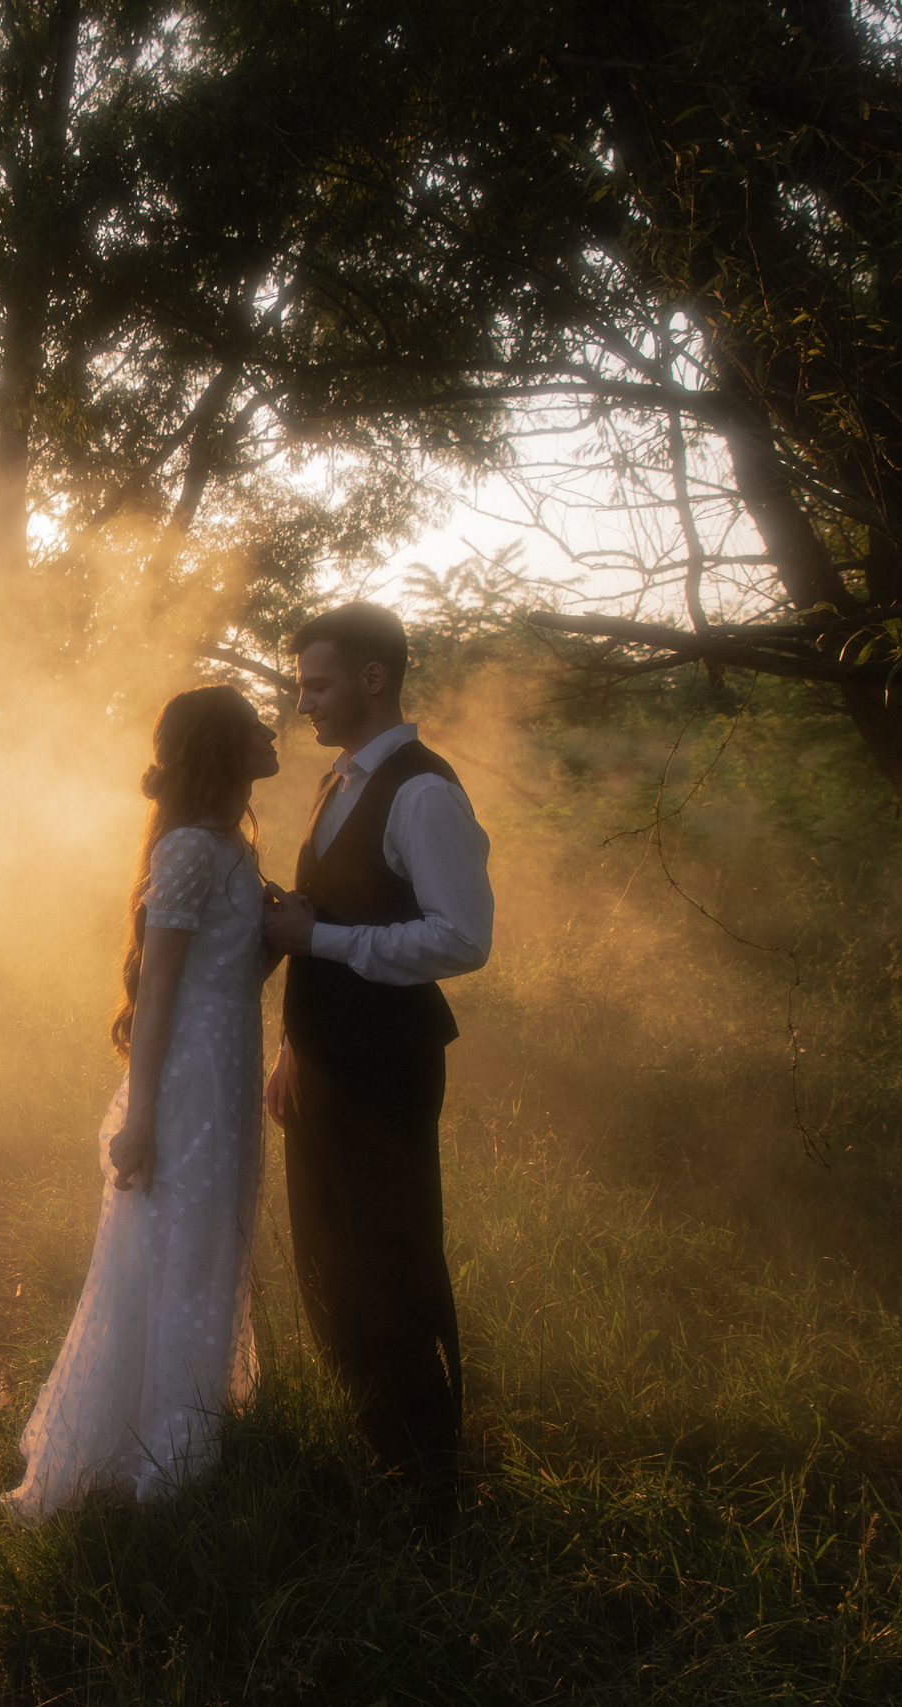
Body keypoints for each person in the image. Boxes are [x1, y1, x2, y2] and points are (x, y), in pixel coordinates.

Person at [4, 685, 281, 1521]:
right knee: (178, 1251)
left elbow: (224, 970)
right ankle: (164, 1458)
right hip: (189, 1077)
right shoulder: (193, 847)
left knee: (214, 1240)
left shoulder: (230, 845)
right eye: (255, 724)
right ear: (224, 748)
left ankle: (187, 1424)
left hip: (228, 1064)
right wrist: (144, 1116)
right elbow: (159, 987)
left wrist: (278, 933)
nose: (273, 731)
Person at [261, 601, 493, 1518]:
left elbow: (461, 938)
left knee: (391, 1258)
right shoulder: (339, 779)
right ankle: (373, 1444)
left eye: (317, 683)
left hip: (388, 1062)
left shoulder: (424, 791)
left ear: (372, 678)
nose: (303, 701)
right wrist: (290, 1047)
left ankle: (430, 1473)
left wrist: (326, 940)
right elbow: (323, 914)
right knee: (326, 1252)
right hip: (323, 1058)